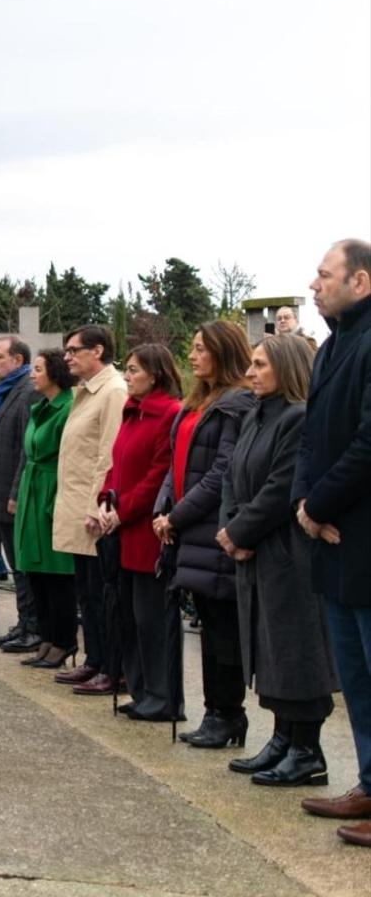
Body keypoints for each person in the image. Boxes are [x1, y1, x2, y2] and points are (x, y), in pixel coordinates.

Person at [220, 335, 338, 789]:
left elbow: (279, 488)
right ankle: (283, 738)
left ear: (285, 368)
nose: (250, 373)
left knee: (296, 651)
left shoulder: (298, 418)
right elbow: (233, 476)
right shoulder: (254, 415)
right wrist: (230, 529)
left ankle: (308, 750)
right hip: (254, 552)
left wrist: (238, 531)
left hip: (287, 552)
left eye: (260, 365)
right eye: (250, 364)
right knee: (268, 650)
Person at [294, 239, 371, 844]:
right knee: (359, 680)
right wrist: (304, 505)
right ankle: (370, 787)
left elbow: (369, 443)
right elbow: (312, 438)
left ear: (361, 281)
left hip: (363, 535)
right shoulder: (330, 349)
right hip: (332, 540)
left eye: (325, 275)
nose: (315, 285)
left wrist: (317, 505)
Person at [154, 322, 255, 745]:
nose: (192, 356)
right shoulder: (197, 402)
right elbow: (178, 463)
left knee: (223, 630)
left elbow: (221, 473)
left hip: (213, 530)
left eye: (200, 349)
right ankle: (216, 712)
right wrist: (164, 507)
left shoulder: (236, 403)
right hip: (188, 530)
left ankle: (228, 715)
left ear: (222, 352)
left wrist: (176, 516)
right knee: (210, 628)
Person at [84, 344, 183, 713]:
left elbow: (158, 474)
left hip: (147, 531)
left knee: (152, 618)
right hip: (123, 529)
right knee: (129, 616)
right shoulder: (132, 412)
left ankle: (163, 696)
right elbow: (116, 463)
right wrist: (105, 500)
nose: (126, 376)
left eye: (134, 370)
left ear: (155, 374)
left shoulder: (167, 414)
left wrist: (122, 510)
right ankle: (141, 691)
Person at [51, 325, 128, 690]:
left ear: (97, 351)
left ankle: (112, 667)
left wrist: (98, 505)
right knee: (86, 593)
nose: (67, 357)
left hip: (93, 512)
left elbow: (108, 454)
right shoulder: (85, 392)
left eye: (74, 350)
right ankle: (94, 659)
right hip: (77, 507)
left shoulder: (112, 391)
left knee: (100, 595)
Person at [14, 349, 79, 669]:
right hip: (34, 487)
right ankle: (47, 637)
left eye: (37, 369)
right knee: (36, 571)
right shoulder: (41, 407)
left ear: (53, 373)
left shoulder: (67, 407)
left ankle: (64, 640)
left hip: (51, 490)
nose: (31, 374)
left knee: (57, 574)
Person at [0, 338, 39, 652]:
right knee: (17, 564)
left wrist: (16, 491)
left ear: (17, 360)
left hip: (14, 494)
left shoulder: (27, 392)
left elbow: (26, 449)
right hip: (1, 492)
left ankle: (33, 626)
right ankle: (24, 622)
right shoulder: (6, 392)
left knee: (23, 565)